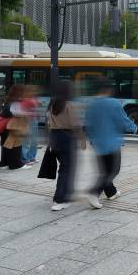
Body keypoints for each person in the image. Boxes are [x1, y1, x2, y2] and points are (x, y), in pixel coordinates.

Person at [83, 77, 137, 208]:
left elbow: (88, 125)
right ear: (108, 89)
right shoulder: (114, 103)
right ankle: (93, 193)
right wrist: (133, 128)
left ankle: (111, 192)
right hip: (111, 143)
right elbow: (122, 120)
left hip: (97, 143)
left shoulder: (91, 104)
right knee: (113, 170)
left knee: (104, 170)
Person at [46, 81, 84, 211]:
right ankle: (60, 199)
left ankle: (68, 193)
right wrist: (82, 139)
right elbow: (75, 125)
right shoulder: (69, 105)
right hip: (67, 138)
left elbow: (49, 124)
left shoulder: (52, 105)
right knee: (67, 169)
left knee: (64, 168)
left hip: (55, 137)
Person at [0, 85, 24, 168]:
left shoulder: (7, 100)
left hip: (5, 126)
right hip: (13, 125)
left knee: (6, 144)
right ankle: (15, 164)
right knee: (15, 145)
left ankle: (5, 162)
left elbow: (4, 113)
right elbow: (17, 114)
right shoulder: (15, 102)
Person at [21, 86, 41, 165]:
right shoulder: (25, 100)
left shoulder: (33, 99)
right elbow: (23, 111)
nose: (34, 92)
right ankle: (25, 158)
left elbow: (37, 107)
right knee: (26, 140)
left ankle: (32, 157)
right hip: (28, 121)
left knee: (34, 140)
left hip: (34, 120)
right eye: (32, 91)